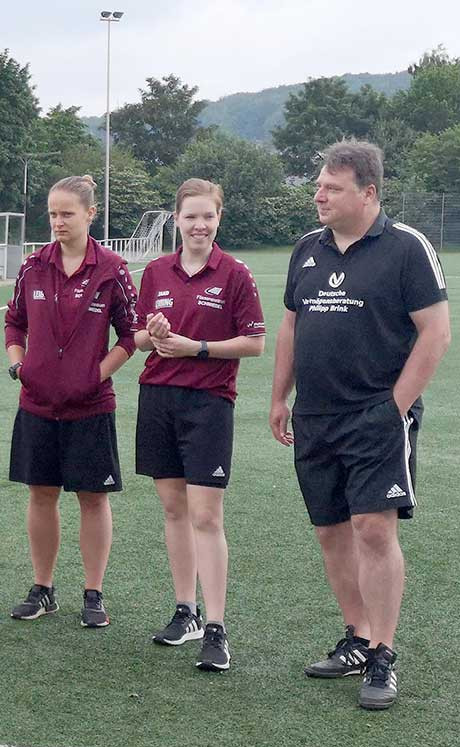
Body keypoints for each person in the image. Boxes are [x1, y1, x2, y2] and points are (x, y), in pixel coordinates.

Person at [270, 140, 450, 710]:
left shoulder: (407, 248)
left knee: (374, 528)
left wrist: (393, 407)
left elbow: (436, 333)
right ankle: (356, 635)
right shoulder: (306, 250)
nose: (318, 194)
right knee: (331, 530)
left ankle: (383, 653)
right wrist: (279, 398)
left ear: (368, 193)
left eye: (332, 187)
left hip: (376, 416)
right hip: (315, 416)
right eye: (319, 184)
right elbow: (291, 329)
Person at [133, 179, 266, 672]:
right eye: (190, 216)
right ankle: (184, 611)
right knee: (172, 510)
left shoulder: (234, 273)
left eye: (207, 216)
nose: (199, 225)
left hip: (209, 402)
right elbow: (141, 339)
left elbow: (255, 343)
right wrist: (155, 334)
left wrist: (198, 348)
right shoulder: (156, 271)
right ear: (177, 219)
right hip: (158, 398)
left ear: (218, 219)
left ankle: (216, 626)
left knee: (206, 515)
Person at [4, 175, 138, 628]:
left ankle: (93, 593)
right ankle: (43, 588)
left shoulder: (111, 268)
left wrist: (94, 374)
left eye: (67, 214)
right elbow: (13, 322)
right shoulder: (33, 266)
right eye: (53, 214)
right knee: (41, 495)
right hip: (37, 404)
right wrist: (18, 365)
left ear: (89, 215)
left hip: (91, 406)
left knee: (93, 499)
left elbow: (131, 334)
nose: (58, 222)